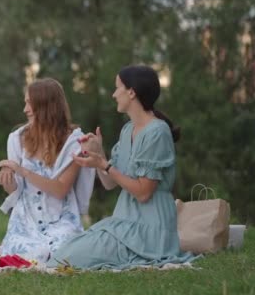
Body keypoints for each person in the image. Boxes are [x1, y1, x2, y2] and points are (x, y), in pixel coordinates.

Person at [47, 65, 198, 270]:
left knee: (67, 260)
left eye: (118, 87)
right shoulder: (128, 130)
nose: (114, 94)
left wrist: (105, 165)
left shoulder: (157, 132)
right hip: (125, 222)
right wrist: (99, 154)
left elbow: (144, 193)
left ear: (131, 92)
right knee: (62, 255)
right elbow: (110, 183)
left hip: (150, 229)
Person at [0, 78, 95, 263]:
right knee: (28, 253)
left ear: (46, 107)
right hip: (26, 220)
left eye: (29, 103)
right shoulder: (17, 139)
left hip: (61, 219)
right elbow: (16, 192)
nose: (25, 110)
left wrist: (23, 171)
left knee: (62, 253)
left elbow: (60, 189)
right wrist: (9, 182)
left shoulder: (74, 142)